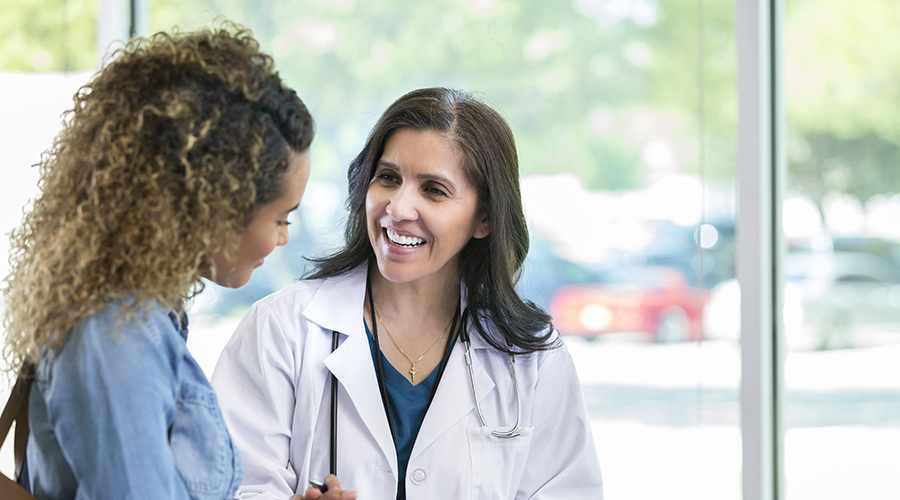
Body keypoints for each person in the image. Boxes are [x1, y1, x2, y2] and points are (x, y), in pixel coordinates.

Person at [0, 23, 349, 500]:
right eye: (281, 217)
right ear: (215, 208)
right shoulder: (115, 335)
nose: (285, 237)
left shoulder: (143, 315)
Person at [212, 87, 603, 499]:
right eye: (388, 178)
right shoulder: (281, 329)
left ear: (483, 218)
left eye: (433, 189)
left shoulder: (531, 357)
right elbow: (227, 485)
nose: (398, 208)